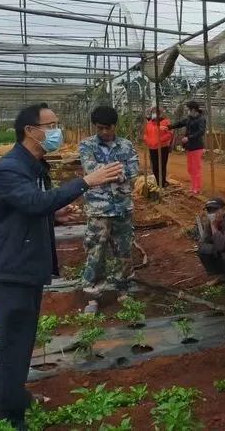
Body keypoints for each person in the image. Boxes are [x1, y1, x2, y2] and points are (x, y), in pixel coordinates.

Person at [0, 103, 123, 430]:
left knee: (22, 340)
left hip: (24, 265)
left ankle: (14, 396)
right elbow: (33, 202)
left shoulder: (34, 164)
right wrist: (86, 181)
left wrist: (52, 215)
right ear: (30, 131)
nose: (57, 130)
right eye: (51, 124)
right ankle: (7, 417)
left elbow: (29, 207)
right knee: (13, 343)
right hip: (11, 268)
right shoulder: (10, 168)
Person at [79, 106, 139, 311]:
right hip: (99, 210)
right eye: (100, 128)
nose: (104, 132)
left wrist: (106, 173)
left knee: (124, 250)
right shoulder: (87, 145)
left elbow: (132, 170)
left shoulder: (126, 145)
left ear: (115, 126)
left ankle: (124, 289)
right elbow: (90, 170)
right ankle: (93, 295)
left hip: (122, 207)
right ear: (95, 127)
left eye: (108, 128)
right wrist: (116, 171)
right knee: (96, 252)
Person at [197, 198, 225, 281]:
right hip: (223, 247)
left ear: (224, 210)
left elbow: (221, 246)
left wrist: (214, 227)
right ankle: (221, 274)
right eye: (209, 211)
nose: (212, 213)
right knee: (203, 249)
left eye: (215, 210)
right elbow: (203, 241)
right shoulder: (210, 222)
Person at [169, 101, 206, 195]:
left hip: (197, 147)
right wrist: (169, 127)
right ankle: (193, 187)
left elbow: (201, 132)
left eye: (188, 109)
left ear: (193, 109)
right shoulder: (190, 118)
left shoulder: (201, 119)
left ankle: (196, 188)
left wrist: (189, 137)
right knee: (190, 168)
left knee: (196, 168)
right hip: (189, 147)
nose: (187, 111)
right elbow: (180, 123)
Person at [143, 106, 172, 187]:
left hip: (162, 147)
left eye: (156, 112)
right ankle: (158, 181)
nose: (154, 114)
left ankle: (162, 184)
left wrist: (159, 140)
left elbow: (169, 134)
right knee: (155, 166)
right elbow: (145, 134)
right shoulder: (149, 124)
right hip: (152, 148)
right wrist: (148, 141)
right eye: (153, 112)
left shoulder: (165, 122)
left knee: (162, 165)